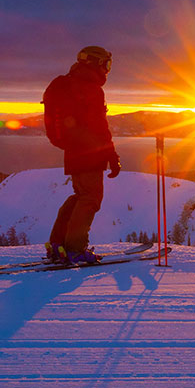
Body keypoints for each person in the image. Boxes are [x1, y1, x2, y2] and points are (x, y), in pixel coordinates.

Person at [44, 46, 121, 264]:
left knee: (80, 196)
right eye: (106, 64)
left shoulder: (69, 83)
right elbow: (100, 127)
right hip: (90, 151)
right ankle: (75, 249)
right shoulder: (90, 88)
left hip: (73, 151)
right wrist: (112, 156)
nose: (107, 70)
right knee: (90, 199)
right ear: (96, 63)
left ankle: (58, 244)